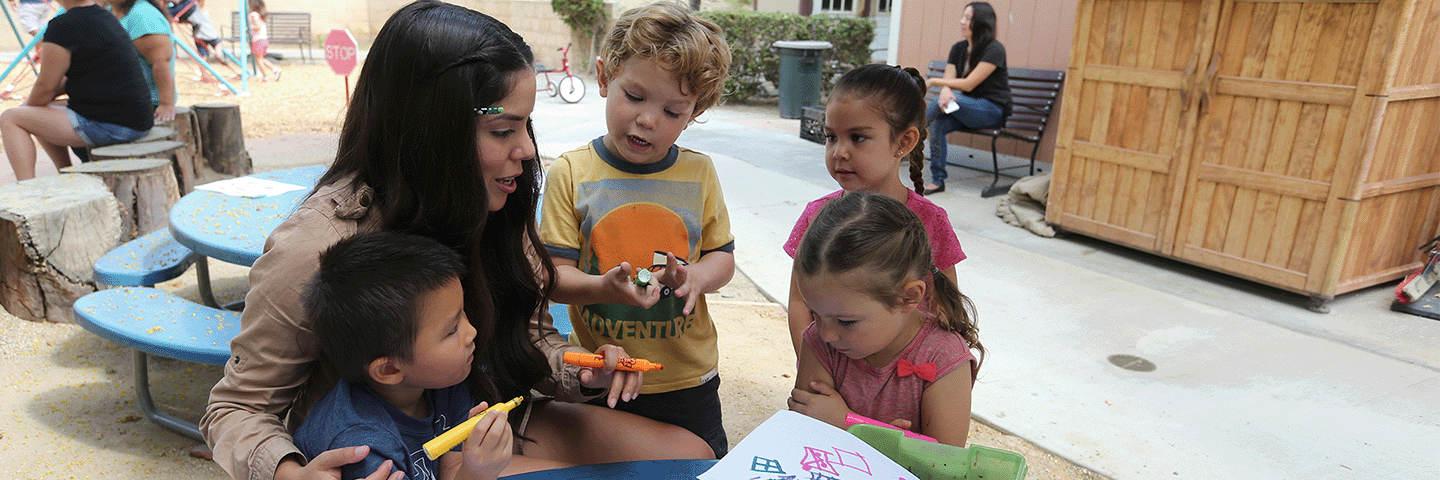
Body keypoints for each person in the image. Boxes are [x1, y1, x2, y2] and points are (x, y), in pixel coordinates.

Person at [201, 2, 713, 479]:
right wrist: (289, 472)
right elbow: (236, 409)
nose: (528, 151)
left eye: (527, 126)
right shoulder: (316, 247)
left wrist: (580, 370)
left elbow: (526, 333)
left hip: (485, 416)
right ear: (432, 129)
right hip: (399, 452)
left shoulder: (492, 201)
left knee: (693, 458)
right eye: (502, 131)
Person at [539, 1, 734, 458]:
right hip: (606, 372)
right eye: (635, 96)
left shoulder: (699, 173)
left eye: (673, 111)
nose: (649, 119)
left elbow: (722, 258)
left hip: (688, 378)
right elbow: (555, 276)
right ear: (605, 78)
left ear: (695, 111)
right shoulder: (572, 172)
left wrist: (697, 277)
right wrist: (600, 286)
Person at [294, 232, 512, 480]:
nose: (471, 332)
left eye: (463, 313)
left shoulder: (445, 381)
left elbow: (450, 469)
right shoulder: (363, 448)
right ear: (389, 370)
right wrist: (479, 473)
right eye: (452, 329)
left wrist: (473, 464)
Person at [782, 63, 966, 356]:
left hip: (907, 378)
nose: (839, 152)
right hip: (834, 370)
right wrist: (814, 368)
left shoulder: (931, 221)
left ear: (904, 141)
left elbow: (947, 308)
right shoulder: (818, 216)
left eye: (857, 137)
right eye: (831, 137)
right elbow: (800, 302)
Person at [786, 191, 984, 447]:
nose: (825, 333)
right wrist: (892, 442)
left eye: (846, 322)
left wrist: (849, 424)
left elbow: (943, 462)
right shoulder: (821, 343)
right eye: (816, 314)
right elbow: (804, 434)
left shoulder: (942, 358)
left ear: (909, 297)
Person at [0, 0, 153, 181]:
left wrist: (26, 109)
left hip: (115, 125)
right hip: (138, 118)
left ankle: (27, 188)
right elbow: (58, 84)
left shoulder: (64, 25)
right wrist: (30, 109)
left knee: (11, 118)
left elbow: (45, 87)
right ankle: (66, 174)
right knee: (33, 113)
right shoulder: (104, 16)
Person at [923, 1, 1011, 195]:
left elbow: (969, 84)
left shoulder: (994, 49)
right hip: (964, 108)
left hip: (991, 110)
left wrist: (933, 82)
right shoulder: (958, 48)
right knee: (937, 125)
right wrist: (945, 88)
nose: (961, 21)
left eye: (968, 18)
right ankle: (938, 180)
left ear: (981, 23)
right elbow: (950, 78)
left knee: (951, 102)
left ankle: (908, 125)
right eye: (963, 17)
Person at [103, 0, 178, 122]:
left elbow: (161, 62)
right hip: (119, 99)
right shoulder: (110, 12)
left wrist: (166, 104)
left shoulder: (142, 14)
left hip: (144, 104)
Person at [247, 0, 279, 81]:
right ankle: (274, 69)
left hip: (258, 40)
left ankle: (266, 76)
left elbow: (257, 27)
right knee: (260, 58)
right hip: (263, 39)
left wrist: (248, 28)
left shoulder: (253, 15)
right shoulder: (259, 14)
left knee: (259, 60)